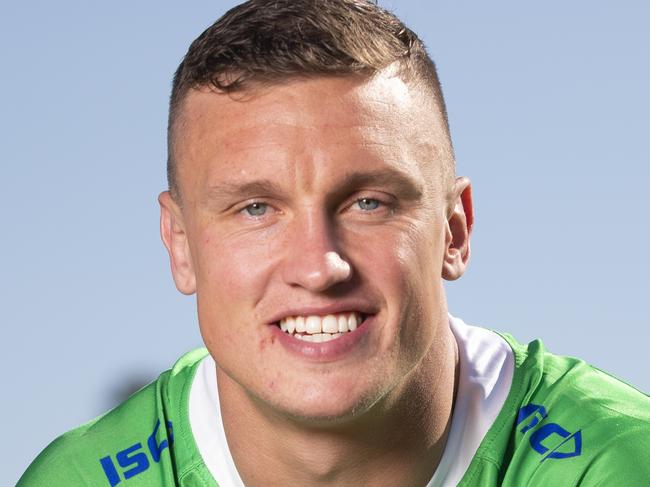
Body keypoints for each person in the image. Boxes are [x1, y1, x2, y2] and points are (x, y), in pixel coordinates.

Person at [17, 1, 650, 485]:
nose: (319, 267)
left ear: (454, 230)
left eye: (369, 203)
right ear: (179, 244)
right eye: (256, 208)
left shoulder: (617, 463)